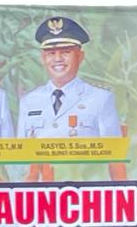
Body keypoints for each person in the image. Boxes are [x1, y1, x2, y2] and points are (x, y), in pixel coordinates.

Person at [17, 16, 125, 181]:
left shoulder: (100, 99)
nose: (58, 59)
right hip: (42, 197)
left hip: (84, 196)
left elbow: (115, 160)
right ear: (43, 58)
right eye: (51, 53)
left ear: (80, 56)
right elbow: (22, 160)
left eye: (66, 52)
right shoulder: (29, 102)